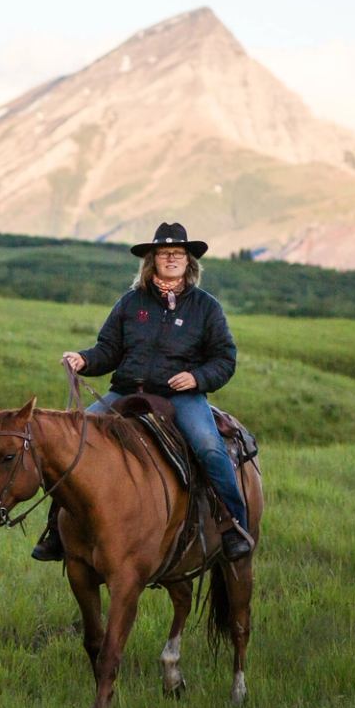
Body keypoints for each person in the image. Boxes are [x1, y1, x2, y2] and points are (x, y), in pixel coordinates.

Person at [34, 220, 254, 562]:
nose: (171, 258)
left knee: (210, 447)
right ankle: (56, 532)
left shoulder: (206, 307)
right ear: (151, 260)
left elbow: (225, 359)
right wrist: (83, 359)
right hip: (126, 393)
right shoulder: (129, 303)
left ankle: (233, 526)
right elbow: (108, 350)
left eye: (178, 253)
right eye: (164, 252)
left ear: (189, 261)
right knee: (72, 439)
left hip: (179, 396)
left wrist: (196, 378)